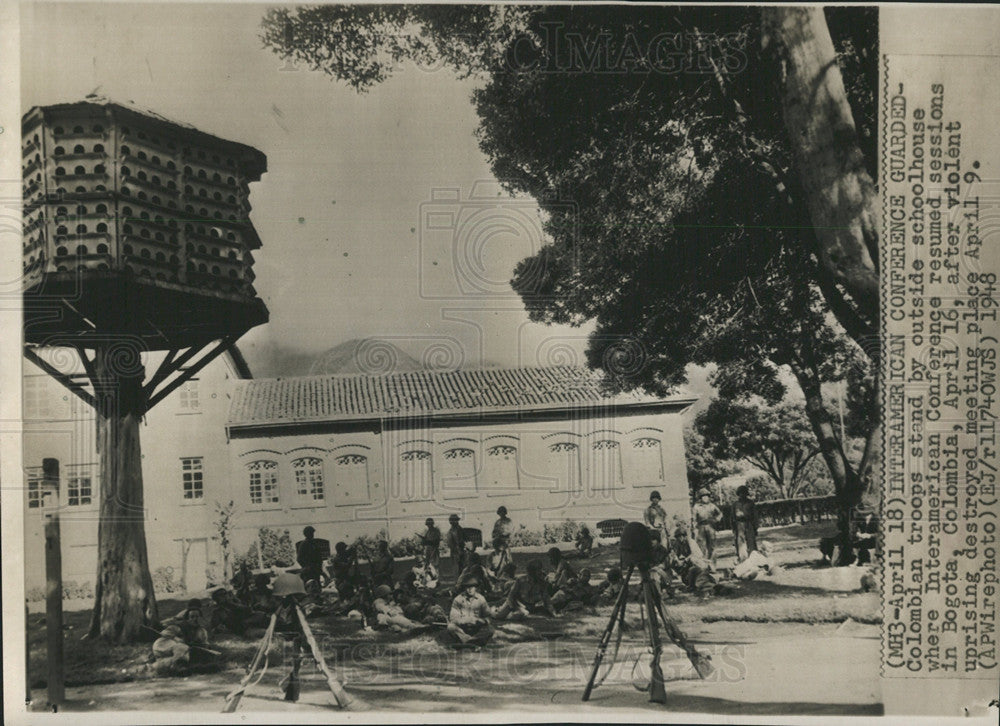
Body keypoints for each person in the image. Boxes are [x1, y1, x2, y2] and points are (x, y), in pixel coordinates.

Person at [151, 599, 212, 674]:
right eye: (192, 617)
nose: (195, 619)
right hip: (163, 645)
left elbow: (205, 645)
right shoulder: (180, 626)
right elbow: (164, 633)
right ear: (187, 619)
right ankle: (178, 667)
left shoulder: (202, 631)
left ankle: (159, 666)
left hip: (176, 651)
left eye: (197, 617)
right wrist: (176, 638)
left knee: (190, 653)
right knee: (182, 648)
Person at [444, 575, 494, 649]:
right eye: (467, 587)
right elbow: (453, 618)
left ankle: (468, 642)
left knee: (490, 629)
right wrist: (464, 621)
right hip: (462, 629)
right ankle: (472, 642)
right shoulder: (458, 599)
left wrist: (482, 621)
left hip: (476, 629)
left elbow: (489, 617)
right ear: (464, 588)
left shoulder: (481, 599)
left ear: (476, 588)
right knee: (450, 627)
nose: (469, 590)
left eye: (472, 587)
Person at [692, 489, 723, 563]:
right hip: (701, 527)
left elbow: (720, 514)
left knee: (712, 546)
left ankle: (712, 565)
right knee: (702, 546)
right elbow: (694, 518)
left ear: (708, 497)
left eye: (706, 496)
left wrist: (716, 520)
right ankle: (704, 565)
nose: (705, 498)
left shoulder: (712, 506)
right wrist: (694, 528)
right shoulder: (696, 507)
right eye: (703, 496)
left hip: (710, 526)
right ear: (700, 498)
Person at [732, 485, 759, 561]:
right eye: (740, 493)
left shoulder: (751, 503)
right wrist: (734, 528)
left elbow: (755, 515)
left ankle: (754, 559)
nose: (742, 495)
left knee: (751, 541)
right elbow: (732, 516)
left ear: (746, 494)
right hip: (739, 524)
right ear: (738, 494)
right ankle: (743, 559)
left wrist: (755, 527)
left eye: (744, 493)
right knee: (741, 542)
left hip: (749, 523)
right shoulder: (735, 504)